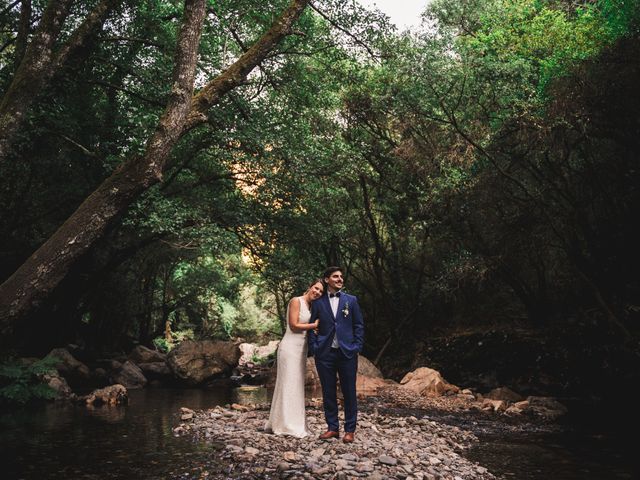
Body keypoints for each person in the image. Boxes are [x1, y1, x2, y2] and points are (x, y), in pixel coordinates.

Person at [308, 266, 364, 443]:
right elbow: (312, 327)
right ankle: (332, 428)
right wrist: (315, 347)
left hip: (347, 353)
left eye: (341, 276)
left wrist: (356, 346)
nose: (340, 279)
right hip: (325, 353)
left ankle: (350, 430)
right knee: (328, 391)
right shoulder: (318, 302)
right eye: (335, 276)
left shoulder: (351, 300)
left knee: (349, 391)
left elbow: (358, 325)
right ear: (327, 280)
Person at [265, 279, 324, 438]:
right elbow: (293, 325)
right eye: (316, 288)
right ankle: (285, 425)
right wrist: (314, 326)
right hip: (289, 348)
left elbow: (308, 329)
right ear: (310, 287)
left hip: (301, 349)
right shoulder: (296, 301)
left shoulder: (313, 307)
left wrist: (316, 331)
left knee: (297, 384)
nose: (317, 292)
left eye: (321, 292)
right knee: (288, 383)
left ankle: (292, 422)